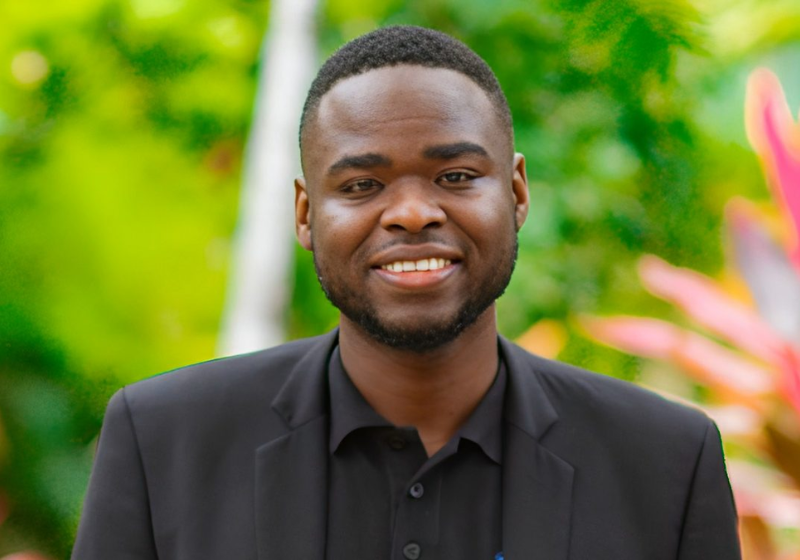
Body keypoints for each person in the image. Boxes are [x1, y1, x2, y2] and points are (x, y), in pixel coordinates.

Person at [72, 26, 741, 560]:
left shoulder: (665, 465)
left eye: (456, 176)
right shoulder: (163, 444)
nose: (413, 213)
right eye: (362, 186)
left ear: (516, 193)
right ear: (305, 214)